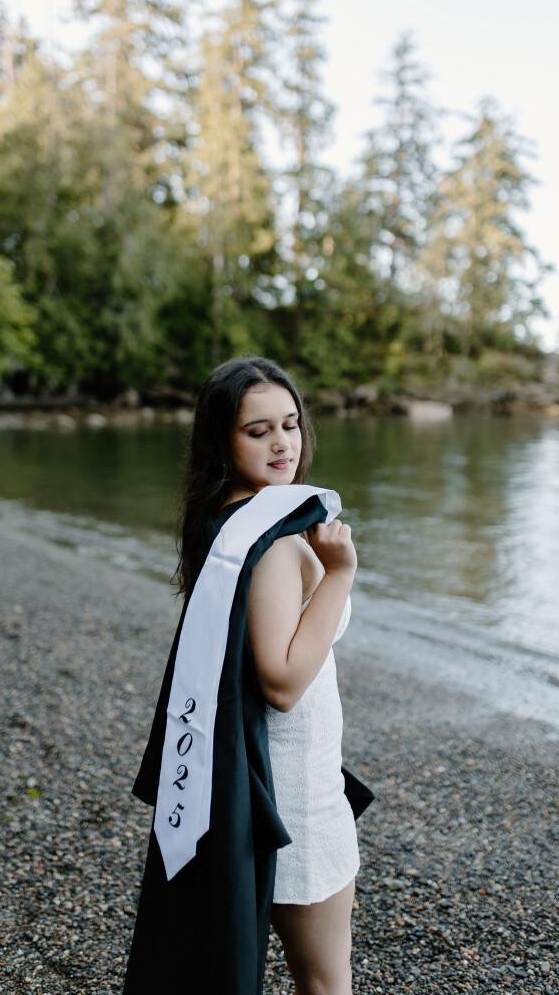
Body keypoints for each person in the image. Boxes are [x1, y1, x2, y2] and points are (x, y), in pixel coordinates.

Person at [123, 356, 372, 995]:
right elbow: (283, 683)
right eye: (258, 431)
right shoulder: (271, 544)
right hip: (293, 785)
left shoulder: (226, 518)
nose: (283, 443)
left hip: (263, 769)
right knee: (326, 981)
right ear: (222, 441)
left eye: (290, 424)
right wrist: (340, 573)